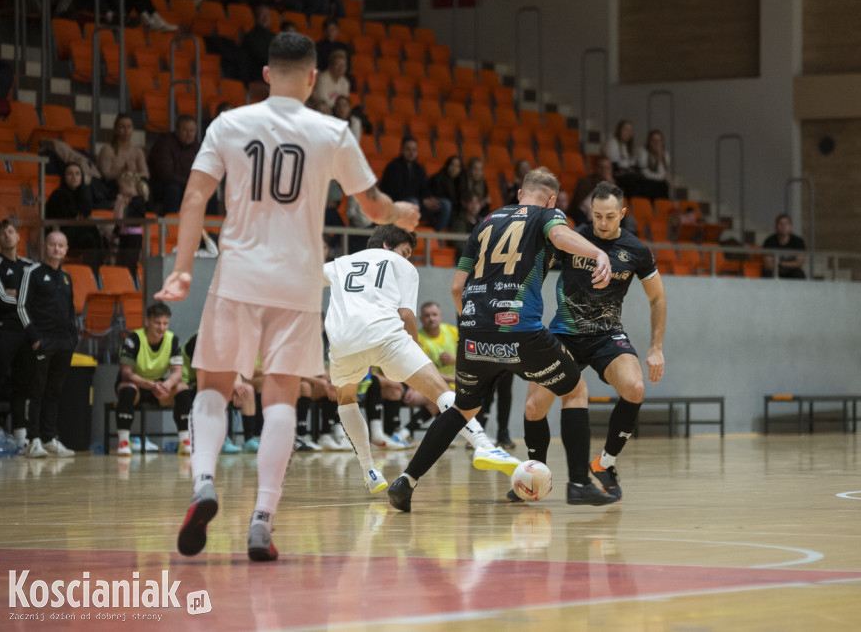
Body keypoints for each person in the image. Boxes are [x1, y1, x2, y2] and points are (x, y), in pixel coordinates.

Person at [155, 31, 419, 562]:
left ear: (268, 74)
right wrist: (399, 215)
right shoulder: (331, 130)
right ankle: (262, 519)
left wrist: (182, 270)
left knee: (213, 386)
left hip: (237, 275)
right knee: (280, 398)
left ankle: (203, 482)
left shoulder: (229, 123)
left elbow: (193, 197)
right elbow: (370, 205)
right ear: (315, 78)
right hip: (297, 282)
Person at [387, 167, 617, 512]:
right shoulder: (547, 214)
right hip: (519, 329)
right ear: (551, 198)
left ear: (521, 192)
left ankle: (407, 481)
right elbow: (558, 236)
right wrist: (597, 253)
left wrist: (477, 324)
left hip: (474, 331)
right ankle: (579, 483)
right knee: (574, 390)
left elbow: (455, 287)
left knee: (463, 407)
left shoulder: (485, 222)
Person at [324, 225, 518, 493]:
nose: (406, 258)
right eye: (405, 252)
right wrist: (412, 351)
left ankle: (369, 471)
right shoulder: (401, 266)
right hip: (386, 336)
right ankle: (484, 446)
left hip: (344, 341)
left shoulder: (339, 263)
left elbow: (306, 279)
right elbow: (406, 315)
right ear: (386, 247)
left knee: (346, 400)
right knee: (442, 392)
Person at [525, 181, 666, 501]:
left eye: (610, 216)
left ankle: (605, 463)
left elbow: (657, 298)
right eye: (597, 215)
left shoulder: (637, 251)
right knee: (534, 406)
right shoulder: (572, 239)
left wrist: (656, 347)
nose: (602, 223)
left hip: (607, 335)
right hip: (563, 332)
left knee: (635, 387)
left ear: (623, 214)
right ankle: (535, 476)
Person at [18, 231, 77, 459]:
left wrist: (73, 338)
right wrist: (34, 338)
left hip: (64, 343)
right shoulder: (32, 272)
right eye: (52, 245)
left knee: (54, 391)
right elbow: (21, 307)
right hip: (42, 342)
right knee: (37, 390)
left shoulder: (66, 278)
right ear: (45, 247)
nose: (56, 249)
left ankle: (49, 437)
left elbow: (71, 311)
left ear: (66, 249)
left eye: (60, 246)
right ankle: (32, 439)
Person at [113, 301, 192, 456]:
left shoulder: (173, 340)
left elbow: (177, 372)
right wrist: (152, 385)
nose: (162, 328)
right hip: (135, 384)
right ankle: (123, 442)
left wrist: (168, 385)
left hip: (158, 386)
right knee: (128, 388)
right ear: (147, 321)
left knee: (182, 388)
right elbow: (126, 373)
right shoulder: (132, 339)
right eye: (157, 323)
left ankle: (185, 441)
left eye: (165, 323)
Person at [0, 220, 35, 451]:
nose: (7, 236)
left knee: (24, 382)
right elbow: (1, 299)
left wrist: (17, 294)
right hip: (4, 329)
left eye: (10, 232)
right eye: (2, 234)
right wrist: (25, 297)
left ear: (18, 236)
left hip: (27, 329)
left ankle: (21, 434)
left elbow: (39, 297)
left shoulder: (30, 266)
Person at [380, 137, 452, 231]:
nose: (411, 153)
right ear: (402, 150)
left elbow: (424, 189)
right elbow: (397, 193)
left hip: (417, 205)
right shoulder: (393, 167)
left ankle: (437, 238)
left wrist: (430, 198)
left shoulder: (420, 169)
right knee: (413, 202)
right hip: (397, 207)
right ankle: (407, 234)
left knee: (445, 204)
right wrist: (422, 200)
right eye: (408, 149)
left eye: (414, 150)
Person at [45, 162, 104, 270]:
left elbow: (83, 215)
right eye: (70, 174)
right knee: (91, 228)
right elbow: (67, 220)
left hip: (77, 235)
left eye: (77, 174)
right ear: (64, 177)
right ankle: (96, 270)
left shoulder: (83, 194)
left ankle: (96, 272)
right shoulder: (58, 195)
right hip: (60, 234)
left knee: (92, 238)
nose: (74, 177)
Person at [148, 115, 199, 214]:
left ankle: (210, 226)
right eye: (185, 130)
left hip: (187, 185)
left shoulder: (197, 147)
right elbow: (165, 173)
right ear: (177, 130)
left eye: (192, 131)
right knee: (173, 189)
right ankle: (170, 225)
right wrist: (188, 182)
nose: (189, 134)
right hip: (163, 186)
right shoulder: (165, 143)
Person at [113, 171, 148, 280]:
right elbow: (117, 220)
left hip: (133, 237)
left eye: (121, 187)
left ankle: (132, 283)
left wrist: (123, 205)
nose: (120, 190)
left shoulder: (139, 201)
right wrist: (120, 204)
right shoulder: (125, 200)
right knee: (121, 263)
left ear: (130, 185)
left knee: (130, 263)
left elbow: (129, 220)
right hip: (124, 236)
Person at [98, 114, 149, 187]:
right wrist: (123, 170)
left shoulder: (138, 150)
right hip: (115, 186)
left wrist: (132, 175)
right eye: (122, 127)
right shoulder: (107, 149)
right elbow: (105, 174)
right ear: (115, 129)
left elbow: (145, 174)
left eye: (129, 127)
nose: (126, 130)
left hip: (134, 185)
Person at [569, 156, 615, 225]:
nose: (604, 171)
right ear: (595, 168)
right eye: (601, 168)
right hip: (585, 214)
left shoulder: (612, 183)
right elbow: (581, 203)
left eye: (607, 168)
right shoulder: (585, 181)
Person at [762, 213, 806, 279]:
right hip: (774, 271)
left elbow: (799, 263)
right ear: (776, 227)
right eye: (780, 224)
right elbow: (768, 265)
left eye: (786, 224)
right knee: (767, 273)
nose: (783, 226)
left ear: (791, 227)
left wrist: (780, 264)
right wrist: (789, 264)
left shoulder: (798, 241)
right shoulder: (769, 241)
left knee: (799, 273)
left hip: (791, 272)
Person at [242, 4, 277, 84]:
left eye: (268, 15)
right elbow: (259, 56)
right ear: (255, 17)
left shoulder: (275, 37)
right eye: (262, 15)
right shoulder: (250, 37)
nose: (265, 18)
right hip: (259, 73)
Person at [633, 129, 672, 200]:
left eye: (659, 141)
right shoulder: (643, 152)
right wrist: (662, 177)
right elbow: (645, 173)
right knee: (660, 185)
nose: (656, 143)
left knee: (664, 186)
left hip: (658, 184)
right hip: (646, 183)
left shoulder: (665, 155)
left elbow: (663, 172)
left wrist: (659, 158)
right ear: (649, 142)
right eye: (654, 140)